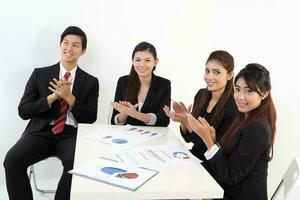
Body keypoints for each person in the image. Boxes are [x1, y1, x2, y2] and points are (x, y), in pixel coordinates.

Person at [3, 26, 99, 200]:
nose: (69, 48)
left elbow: (91, 117)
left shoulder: (91, 81)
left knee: (75, 163)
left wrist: (70, 98)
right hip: (41, 132)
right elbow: (23, 111)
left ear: (83, 51)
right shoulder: (40, 74)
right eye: (66, 43)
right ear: (60, 45)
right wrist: (51, 98)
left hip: (70, 135)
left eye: (76, 45)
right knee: (12, 160)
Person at [186, 63, 276, 200]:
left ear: (264, 93)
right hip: (227, 189)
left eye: (248, 91)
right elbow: (230, 162)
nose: (240, 96)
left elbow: (230, 176)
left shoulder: (257, 129)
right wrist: (213, 140)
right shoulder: (243, 117)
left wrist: (208, 141)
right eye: (238, 89)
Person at [164, 50, 238, 163]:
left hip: (212, 165)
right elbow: (189, 139)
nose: (209, 77)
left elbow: (212, 148)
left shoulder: (234, 106)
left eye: (216, 72)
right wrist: (184, 121)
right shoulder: (201, 95)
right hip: (193, 157)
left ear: (230, 75)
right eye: (207, 71)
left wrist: (187, 121)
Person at [110, 41, 171, 126]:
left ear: (155, 62)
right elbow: (114, 122)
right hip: (126, 136)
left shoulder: (164, 84)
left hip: (153, 137)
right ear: (133, 61)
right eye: (138, 60)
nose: (142, 65)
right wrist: (124, 114)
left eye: (147, 60)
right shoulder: (123, 81)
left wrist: (135, 114)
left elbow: (164, 120)